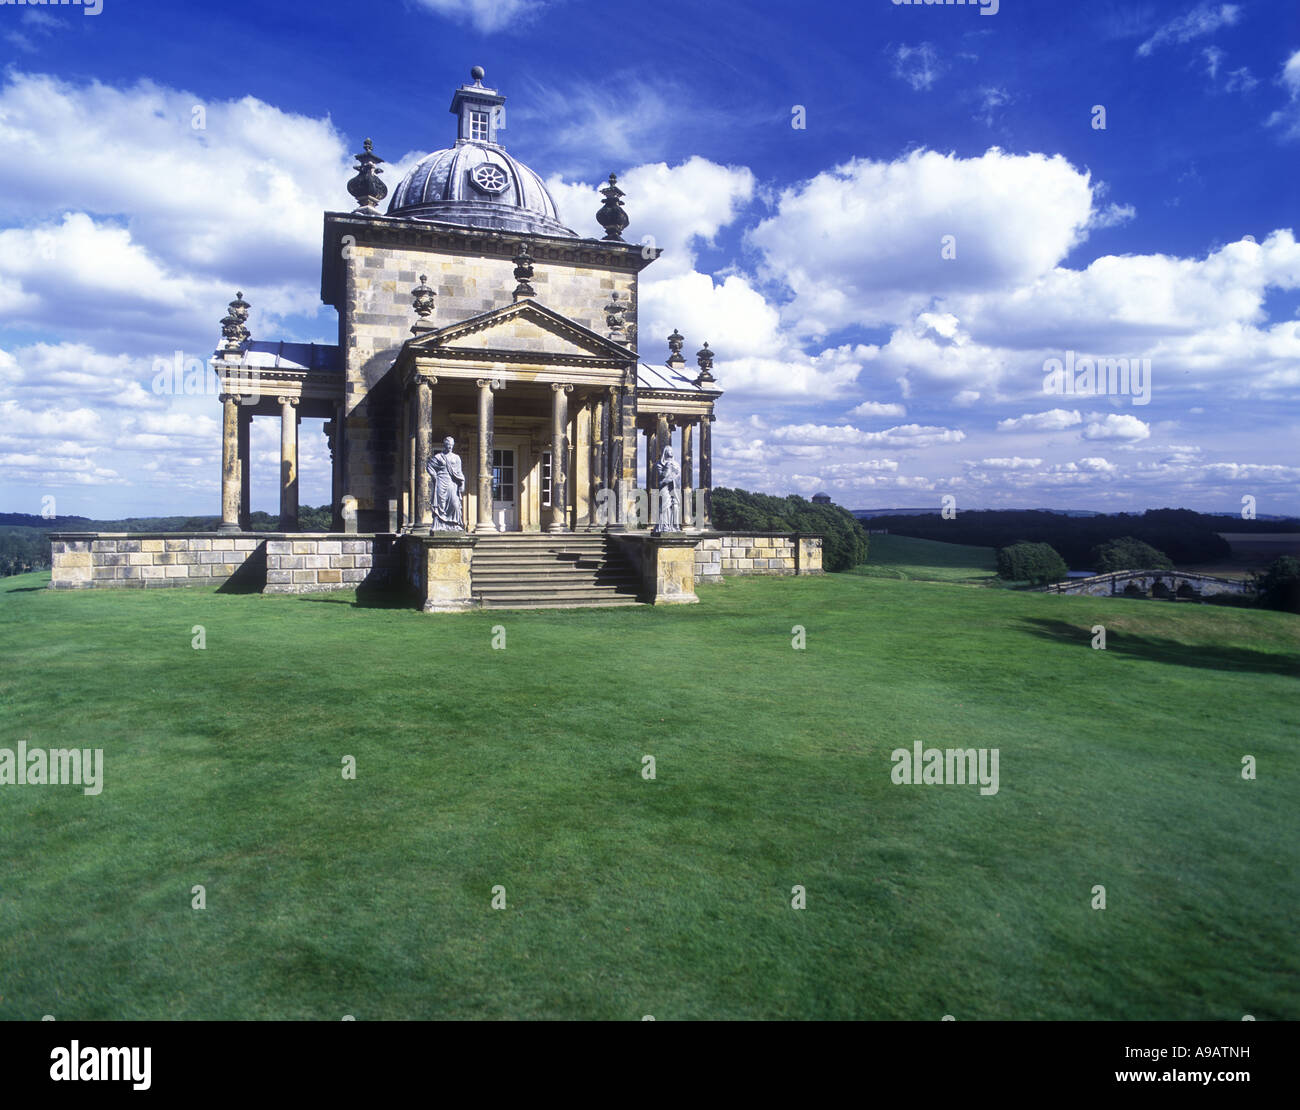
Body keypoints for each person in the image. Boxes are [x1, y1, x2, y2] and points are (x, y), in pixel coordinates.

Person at [427, 436, 466, 530]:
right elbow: (429, 466)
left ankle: (454, 524)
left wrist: (462, 483)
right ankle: (439, 525)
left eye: (452, 445)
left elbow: (459, 472)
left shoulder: (456, 458)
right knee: (441, 504)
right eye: (448, 445)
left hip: (452, 483)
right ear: (444, 445)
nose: (450, 447)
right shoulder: (439, 457)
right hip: (441, 481)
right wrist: (434, 476)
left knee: (455, 504)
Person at [654, 445, 680, 533]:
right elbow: (662, 476)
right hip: (664, 487)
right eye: (668, 450)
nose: (671, 451)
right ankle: (664, 526)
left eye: (672, 450)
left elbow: (678, 477)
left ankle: (673, 526)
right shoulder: (659, 464)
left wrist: (673, 477)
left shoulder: (676, 464)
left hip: (674, 487)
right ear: (665, 452)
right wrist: (667, 466)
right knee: (664, 506)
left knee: (675, 506)